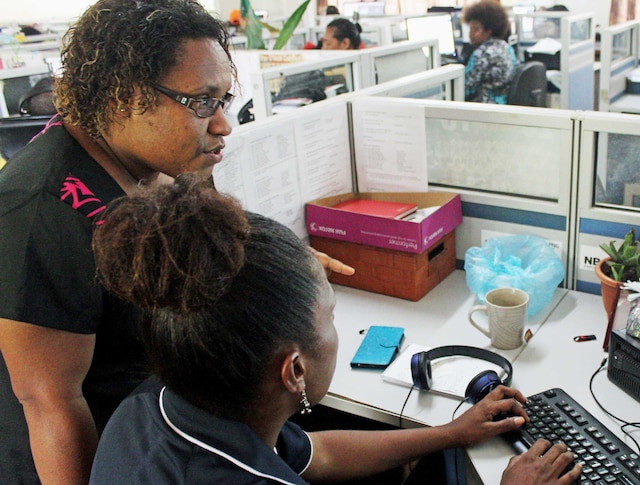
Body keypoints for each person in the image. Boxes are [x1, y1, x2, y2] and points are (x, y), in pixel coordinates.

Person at [0, 1, 352, 483]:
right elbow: (50, 404)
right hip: (113, 451)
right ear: (123, 98)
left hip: (171, 422)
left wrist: (283, 269)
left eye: (224, 100)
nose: (223, 124)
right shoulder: (38, 212)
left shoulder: (157, 165)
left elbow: (199, 245)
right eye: (202, 102)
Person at [88, 174, 583, 484]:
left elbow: (315, 455)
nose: (335, 327)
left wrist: (451, 433)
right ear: (295, 370)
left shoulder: (156, 406)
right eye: (328, 316)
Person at [462, 0, 518, 104]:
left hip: (484, 108)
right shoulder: (506, 47)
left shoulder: (482, 54)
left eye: (476, 29)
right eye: (470, 29)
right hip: (502, 104)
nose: (471, 34)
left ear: (489, 31)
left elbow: (464, 88)